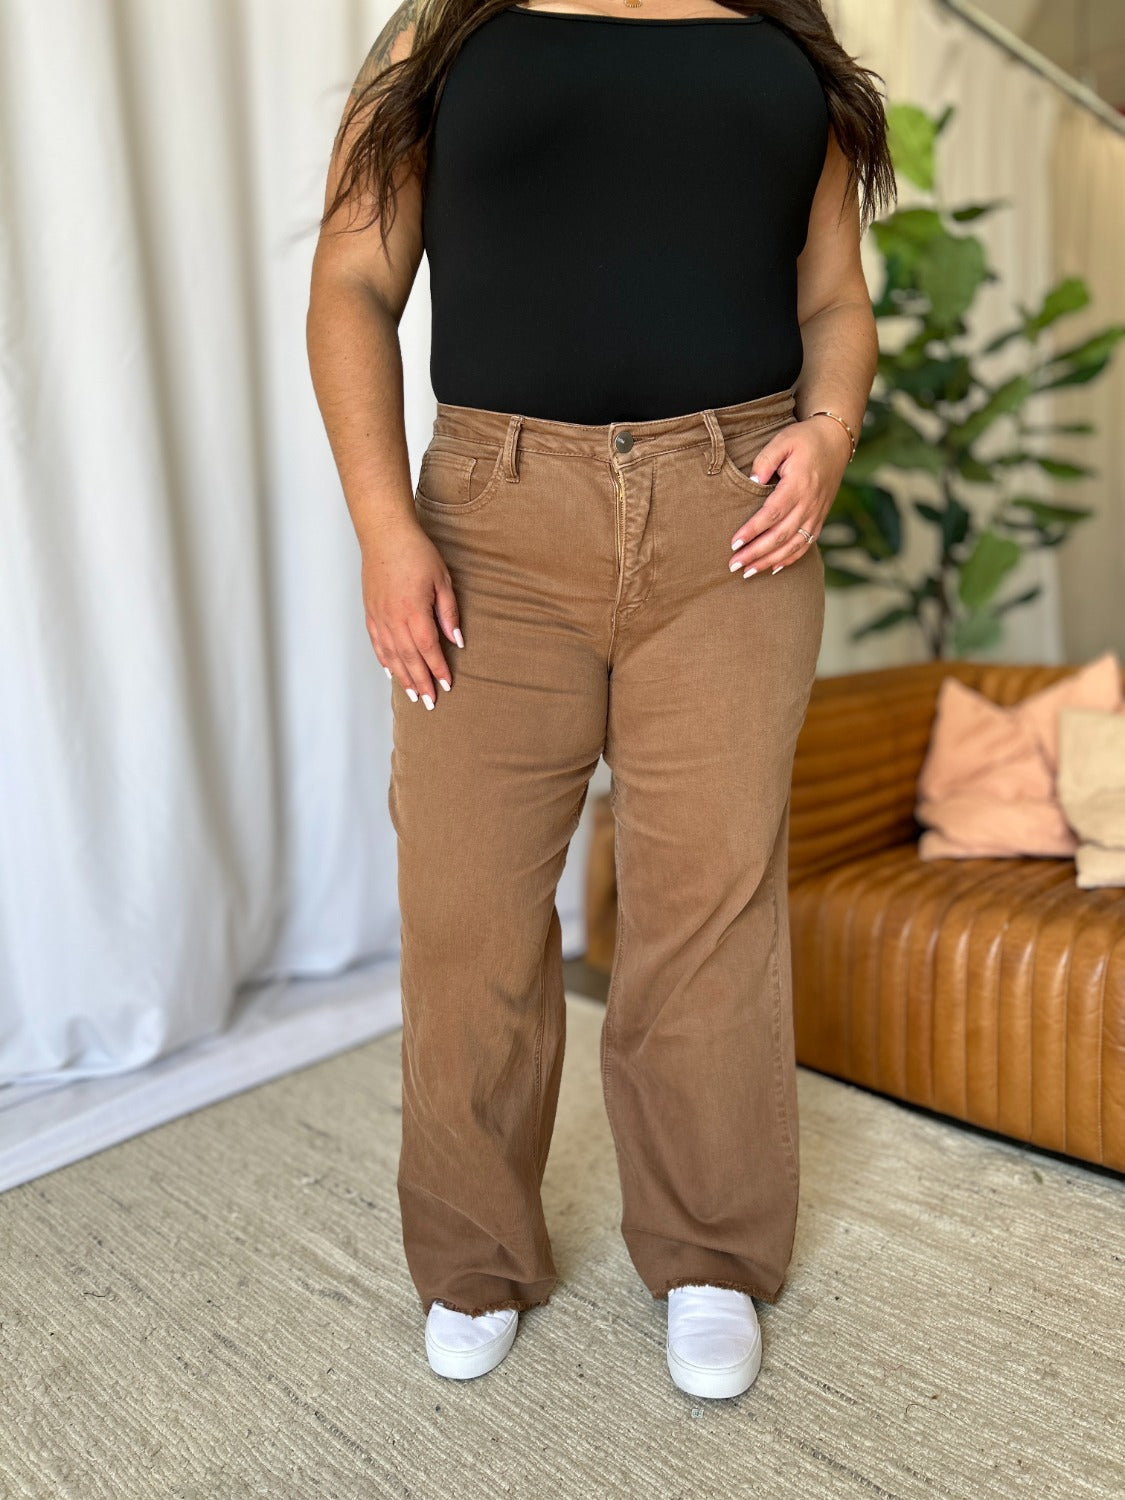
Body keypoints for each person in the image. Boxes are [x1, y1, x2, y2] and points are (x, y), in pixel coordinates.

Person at [307, 0, 893, 1400]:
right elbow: (351, 284)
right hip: (492, 524)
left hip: (733, 521)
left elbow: (832, 300)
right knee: (468, 911)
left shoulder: (783, 36)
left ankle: (709, 1251)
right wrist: (387, 530)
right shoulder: (444, 26)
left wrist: (826, 431)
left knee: (708, 905)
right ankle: (472, 1257)